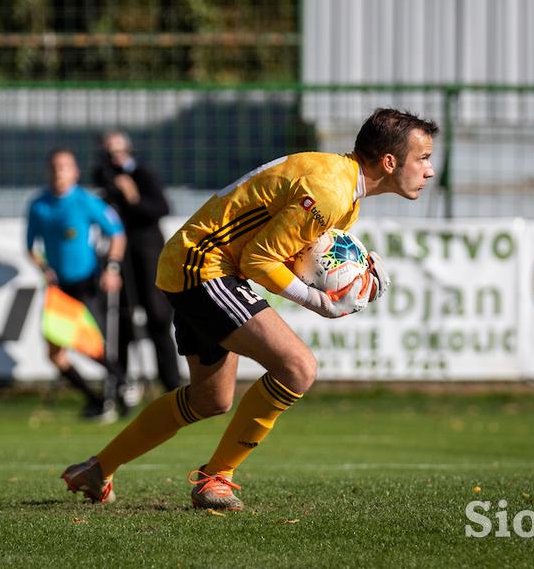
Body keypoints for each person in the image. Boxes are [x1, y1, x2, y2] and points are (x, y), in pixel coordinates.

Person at [62, 108, 438, 508]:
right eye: (424, 158)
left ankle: (97, 469)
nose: (429, 171)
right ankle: (216, 479)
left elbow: (286, 252)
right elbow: (259, 261)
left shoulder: (341, 186)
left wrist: (351, 274)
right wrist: (320, 303)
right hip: (203, 266)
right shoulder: (331, 191)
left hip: (196, 264)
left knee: (211, 400)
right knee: (298, 367)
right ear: (390, 161)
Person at [27, 147, 127, 423]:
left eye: (64, 167)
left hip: (86, 283)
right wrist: (43, 267)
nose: (59, 172)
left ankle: (121, 383)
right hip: (58, 288)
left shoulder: (86, 202)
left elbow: (116, 233)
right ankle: (95, 400)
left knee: (91, 343)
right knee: (55, 353)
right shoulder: (39, 205)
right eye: (54, 167)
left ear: (75, 172)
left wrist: (112, 267)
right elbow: (30, 247)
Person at [92, 131, 181, 404]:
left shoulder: (143, 175)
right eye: (109, 153)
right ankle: (121, 385)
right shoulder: (103, 177)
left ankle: (172, 387)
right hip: (121, 255)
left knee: (157, 318)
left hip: (148, 254)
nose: (115, 158)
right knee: (121, 320)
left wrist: (132, 196)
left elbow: (160, 208)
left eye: (119, 152)